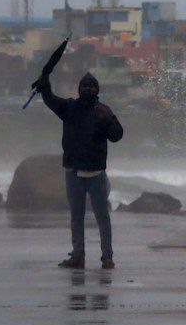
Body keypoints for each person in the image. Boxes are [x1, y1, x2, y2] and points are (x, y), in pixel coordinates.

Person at [36, 71, 124, 269]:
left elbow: (117, 135)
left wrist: (107, 120)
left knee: (102, 217)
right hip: (73, 172)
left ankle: (107, 257)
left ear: (97, 90)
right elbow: (51, 101)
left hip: (97, 174)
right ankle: (78, 256)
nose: (87, 89)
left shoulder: (103, 111)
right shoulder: (70, 108)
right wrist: (45, 86)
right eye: (84, 86)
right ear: (79, 89)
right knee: (77, 217)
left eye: (91, 86)